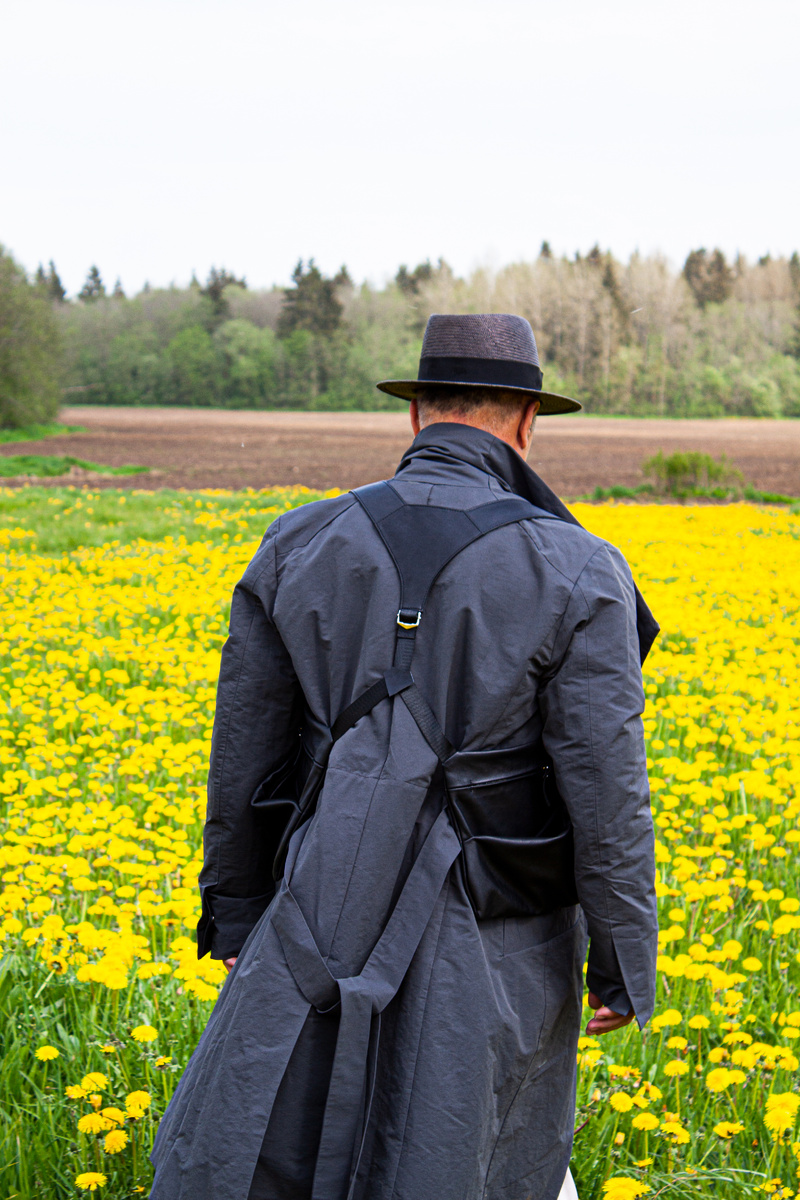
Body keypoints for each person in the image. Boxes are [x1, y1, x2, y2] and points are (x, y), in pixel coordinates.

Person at [151, 313, 659, 1200]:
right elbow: (607, 791)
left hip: (315, 906)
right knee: (468, 1148)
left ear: (415, 414)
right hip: (496, 930)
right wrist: (623, 957)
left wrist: (235, 916)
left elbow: (245, 757)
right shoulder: (578, 567)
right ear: (527, 422)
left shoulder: (297, 541)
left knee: (276, 1143)